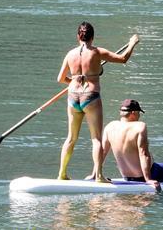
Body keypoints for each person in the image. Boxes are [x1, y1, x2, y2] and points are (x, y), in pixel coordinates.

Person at [55, 22, 140, 182]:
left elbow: (60, 78)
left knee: (71, 138)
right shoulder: (97, 52)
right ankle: (99, 176)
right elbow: (123, 59)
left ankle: (62, 174)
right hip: (90, 96)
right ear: (93, 37)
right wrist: (132, 43)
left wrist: (74, 81)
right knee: (96, 139)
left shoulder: (70, 54)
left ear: (78, 36)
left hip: (73, 96)